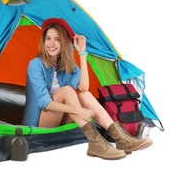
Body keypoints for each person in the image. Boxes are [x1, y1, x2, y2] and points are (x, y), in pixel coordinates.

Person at [21, 17, 152, 160]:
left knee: (85, 95)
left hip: (61, 117)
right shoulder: (35, 65)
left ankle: (122, 139)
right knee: (67, 91)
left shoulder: (68, 65)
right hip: (40, 122)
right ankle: (96, 142)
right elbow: (43, 102)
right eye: (48, 38)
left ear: (64, 42)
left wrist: (82, 53)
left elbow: (84, 87)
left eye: (57, 39)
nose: (51, 44)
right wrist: (78, 110)